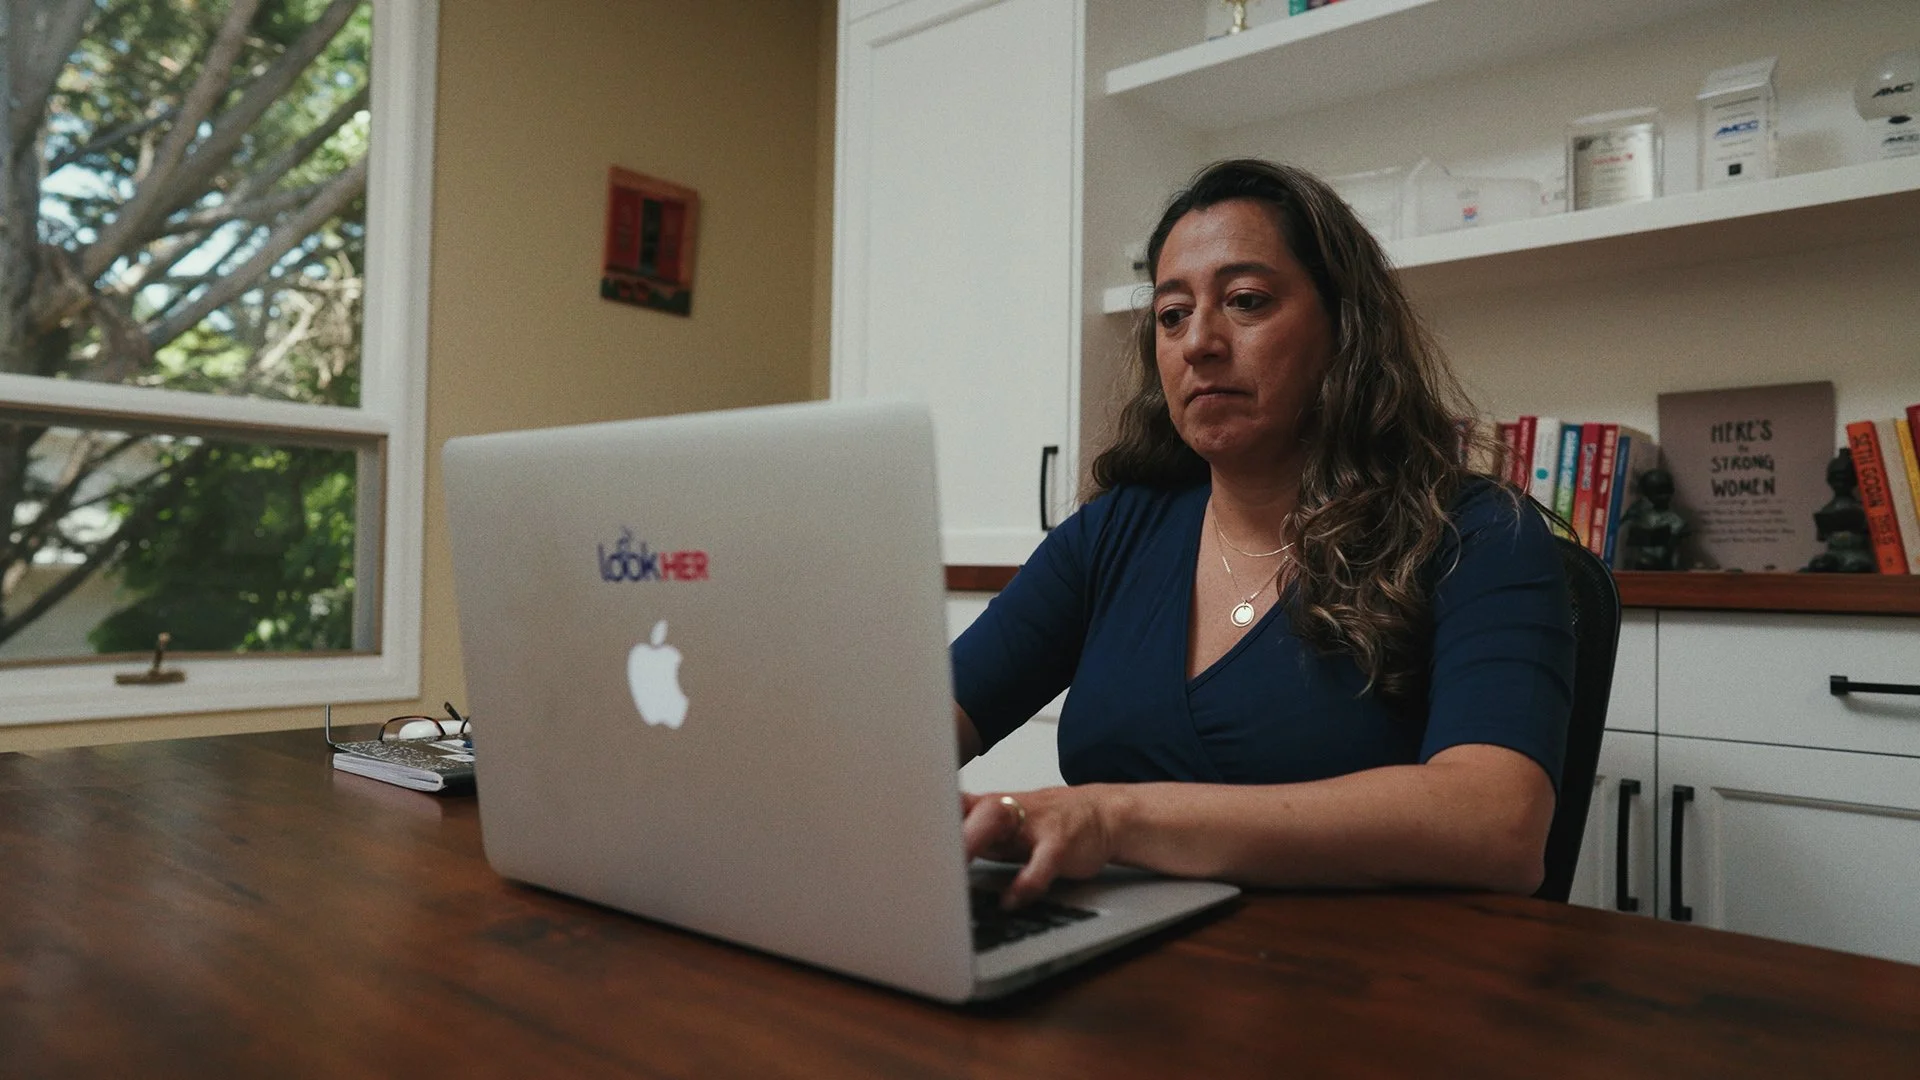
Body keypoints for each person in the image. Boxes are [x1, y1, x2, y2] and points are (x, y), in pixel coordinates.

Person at [951, 159, 1575, 909]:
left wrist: (1111, 817)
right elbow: (920, 732)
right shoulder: (1113, 533)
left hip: (1373, 992)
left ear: (1344, 329)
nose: (1198, 343)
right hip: (1117, 970)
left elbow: (1498, 826)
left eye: (1245, 302)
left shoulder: (1476, 535)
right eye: (1172, 314)